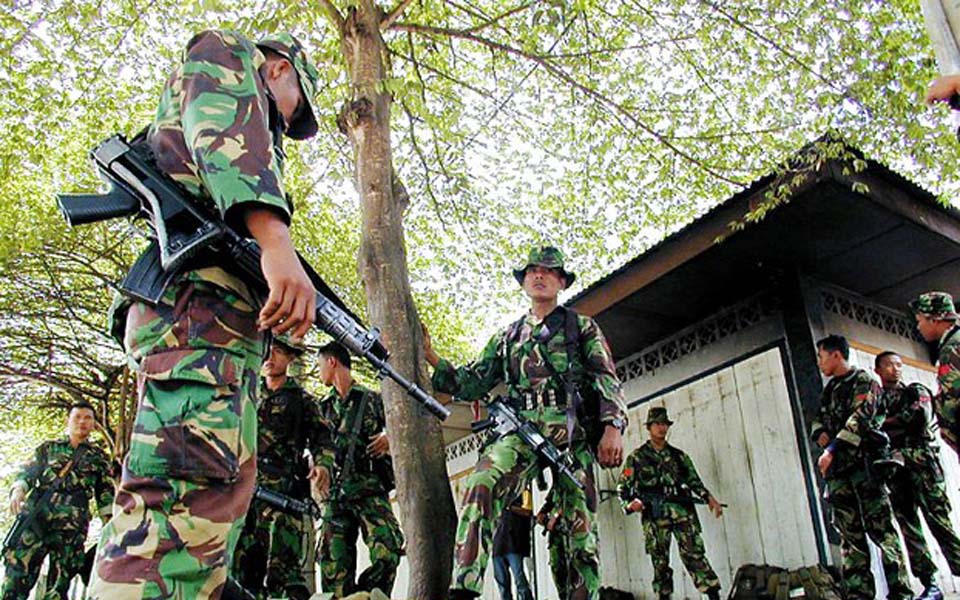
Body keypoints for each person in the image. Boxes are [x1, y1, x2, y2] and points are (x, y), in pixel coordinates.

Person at [88, 30, 322, 599]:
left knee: (200, 525)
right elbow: (222, 132)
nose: (288, 126)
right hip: (198, 320)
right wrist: (275, 242)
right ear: (279, 70)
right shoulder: (228, 52)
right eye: (295, 110)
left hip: (209, 325)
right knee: (172, 524)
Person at [423, 245, 628, 600]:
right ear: (524, 281)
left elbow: (606, 378)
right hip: (521, 432)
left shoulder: (581, 327)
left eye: (548, 271)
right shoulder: (509, 336)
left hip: (572, 436)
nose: (539, 275)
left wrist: (612, 427)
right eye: (532, 270)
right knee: (482, 482)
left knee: (579, 535)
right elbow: (472, 381)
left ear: (561, 281)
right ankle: (464, 589)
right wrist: (429, 354)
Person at [231, 335, 333, 600]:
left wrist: (322, 465)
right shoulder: (244, 393)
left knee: (284, 575)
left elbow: (323, 438)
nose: (270, 357)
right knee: (240, 573)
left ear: (290, 357)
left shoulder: (302, 401)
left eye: (278, 351)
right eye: (267, 349)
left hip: (283, 500)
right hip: (243, 498)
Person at [810, 335, 911, 600]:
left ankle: (901, 592)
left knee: (882, 532)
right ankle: (859, 594)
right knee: (849, 537)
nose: (819, 363)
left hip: (865, 468)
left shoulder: (865, 380)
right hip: (840, 473)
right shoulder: (830, 389)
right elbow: (818, 418)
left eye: (821, 356)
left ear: (835, 355)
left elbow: (861, 419)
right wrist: (820, 433)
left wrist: (831, 449)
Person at [315, 341, 403, 597]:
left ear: (332, 362)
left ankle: (366, 597)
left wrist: (390, 438)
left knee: (388, 549)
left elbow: (403, 428)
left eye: (320, 364)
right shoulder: (322, 408)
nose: (319, 371)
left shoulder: (373, 400)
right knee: (333, 567)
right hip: (336, 498)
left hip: (370, 490)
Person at [2, 402, 114, 600]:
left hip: (71, 528)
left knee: (59, 584)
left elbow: (105, 492)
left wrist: (109, 524)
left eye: (88, 418)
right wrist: (18, 489)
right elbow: (28, 472)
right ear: (68, 421)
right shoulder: (48, 448)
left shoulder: (98, 458)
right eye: (77, 417)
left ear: (94, 424)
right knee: (16, 577)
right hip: (36, 520)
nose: (82, 422)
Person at [876, 350, 960, 600]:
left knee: (940, 523)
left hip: (922, 465)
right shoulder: (877, 400)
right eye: (890, 365)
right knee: (910, 529)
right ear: (878, 370)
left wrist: (882, 425)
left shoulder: (915, 390)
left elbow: (917, 418)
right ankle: (930, 584)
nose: (896, 369)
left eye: (900, 364)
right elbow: (869, 427)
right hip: (896, 471)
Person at [616, 407, 722, 600]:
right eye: (657, 424)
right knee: (660, 563)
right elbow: (622, 488)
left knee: (695, 557)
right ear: (649, 427)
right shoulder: (637, 458)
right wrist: (631, 505)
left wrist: (709, 499)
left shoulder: (679, 456)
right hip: (655, 518)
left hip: (682, 512)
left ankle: (714, 596)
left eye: (664, 424)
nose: (662, 428)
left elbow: (694, 481)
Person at [910, 292, 960, 454]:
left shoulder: (951, 348)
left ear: (935, 319)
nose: (918, 327)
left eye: (920, 321)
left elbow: (953, 396)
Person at [492, 491, 534, 600]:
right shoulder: (497, 496)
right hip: (498, 545)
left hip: (514, 544)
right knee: (502, 583)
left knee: (519, 580)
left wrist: (510, 507)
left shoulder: (523, 491)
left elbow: (528, 512)